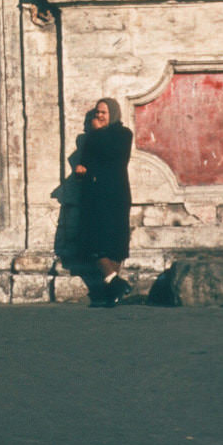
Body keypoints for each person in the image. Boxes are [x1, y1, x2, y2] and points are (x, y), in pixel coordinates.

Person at [72, 97, 133, 307]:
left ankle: (112, 291)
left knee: (115, 244)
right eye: (97, 112)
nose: (99, 116)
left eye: (103, 112)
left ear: (113, 114)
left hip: (116, 195)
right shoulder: (92, 136)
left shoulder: (123, 134)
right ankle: (115, 284)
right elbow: (87, 161)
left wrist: (97, 133)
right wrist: (81, 170)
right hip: (95, 195)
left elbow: (113, 155)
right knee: (94, 243)